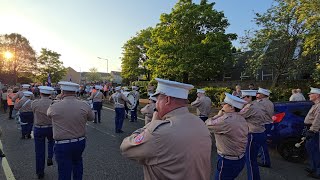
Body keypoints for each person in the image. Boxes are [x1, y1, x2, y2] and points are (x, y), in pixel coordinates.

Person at [121, 78, 212, 180]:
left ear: (167, 100)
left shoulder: (158, 131)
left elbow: (126, 148)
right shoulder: (200, 123)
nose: (156, 104)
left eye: (158, 99)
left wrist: (152, 124)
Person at [47, 81, 94, 180]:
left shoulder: (54, 106)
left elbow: (49, 114)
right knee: (77, 164)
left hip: (62, 143)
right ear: (76, 92)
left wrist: (58, 99)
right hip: (79, 141)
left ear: (62, 92)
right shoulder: (84, 105)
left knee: (64, 170)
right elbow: (91, 118)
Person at [206, 93, 248, 180]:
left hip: (228, 161)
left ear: (232, 107)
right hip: (240, 158)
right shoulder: (241, 118)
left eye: (224, 104)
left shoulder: (225, 121)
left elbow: (206, 125)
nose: (222, 106)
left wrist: (218, 115)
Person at [240, 90, 266, 180]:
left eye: (244, 97)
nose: (242, 99)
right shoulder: (259, 104)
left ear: (249, 97)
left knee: (250, 160)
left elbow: (239, 116)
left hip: (253, 134)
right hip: (260, 132)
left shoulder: (250, 107)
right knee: (253, 159)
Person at [31, 86, 55, 179]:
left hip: (39, 128)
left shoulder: (35, 103)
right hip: (51, 127)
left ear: (40, 93)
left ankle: (40, 172)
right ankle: (50, 156)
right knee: (51, 142)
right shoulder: (53, 103)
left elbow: (33, 112)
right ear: (49, 94)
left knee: (39, 151)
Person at [303, 87, 320, 179]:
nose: (309, 95)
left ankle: (318, 171)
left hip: (314, 131)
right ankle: (313, 167)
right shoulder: (315, 105)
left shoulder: (319, 105)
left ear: (317, 95)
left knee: (315, 151)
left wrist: (312, 130)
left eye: (311, 93)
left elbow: (318, 120)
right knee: (310, 149)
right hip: (310, 129)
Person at [255, 87, 274, 168]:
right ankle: (261, 155)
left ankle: (265, 161)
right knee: (262, 142)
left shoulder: (261, 103)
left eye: (259, 93)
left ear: (263, 95)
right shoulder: (270, 102)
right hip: (268, 123)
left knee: (262, 144)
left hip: (263, 124)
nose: (257, 95)